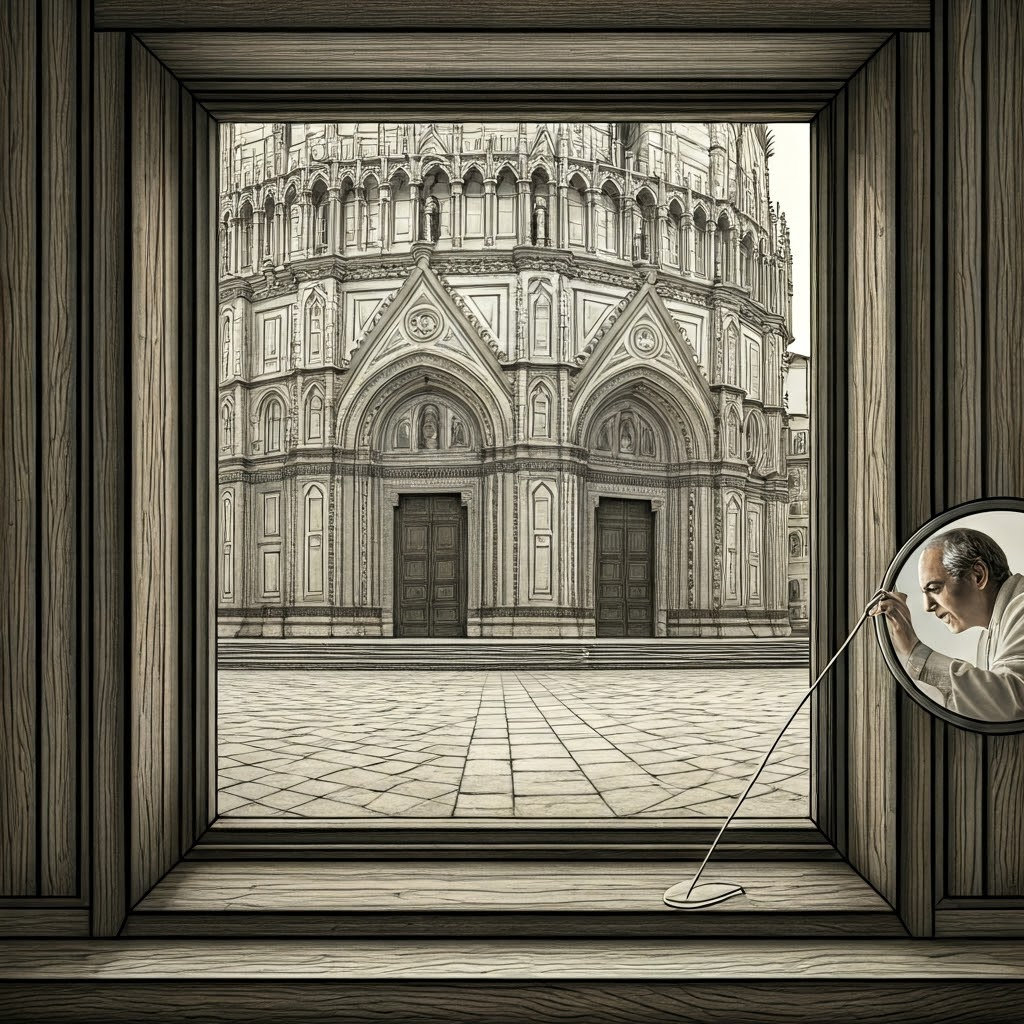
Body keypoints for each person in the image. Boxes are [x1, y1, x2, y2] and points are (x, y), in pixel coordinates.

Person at [871, 528, 1024, 721]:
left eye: (934, 588)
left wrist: (915, 653)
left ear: (978, 575)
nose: (927, 606)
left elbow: (1011, 706)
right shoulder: (988, 636)